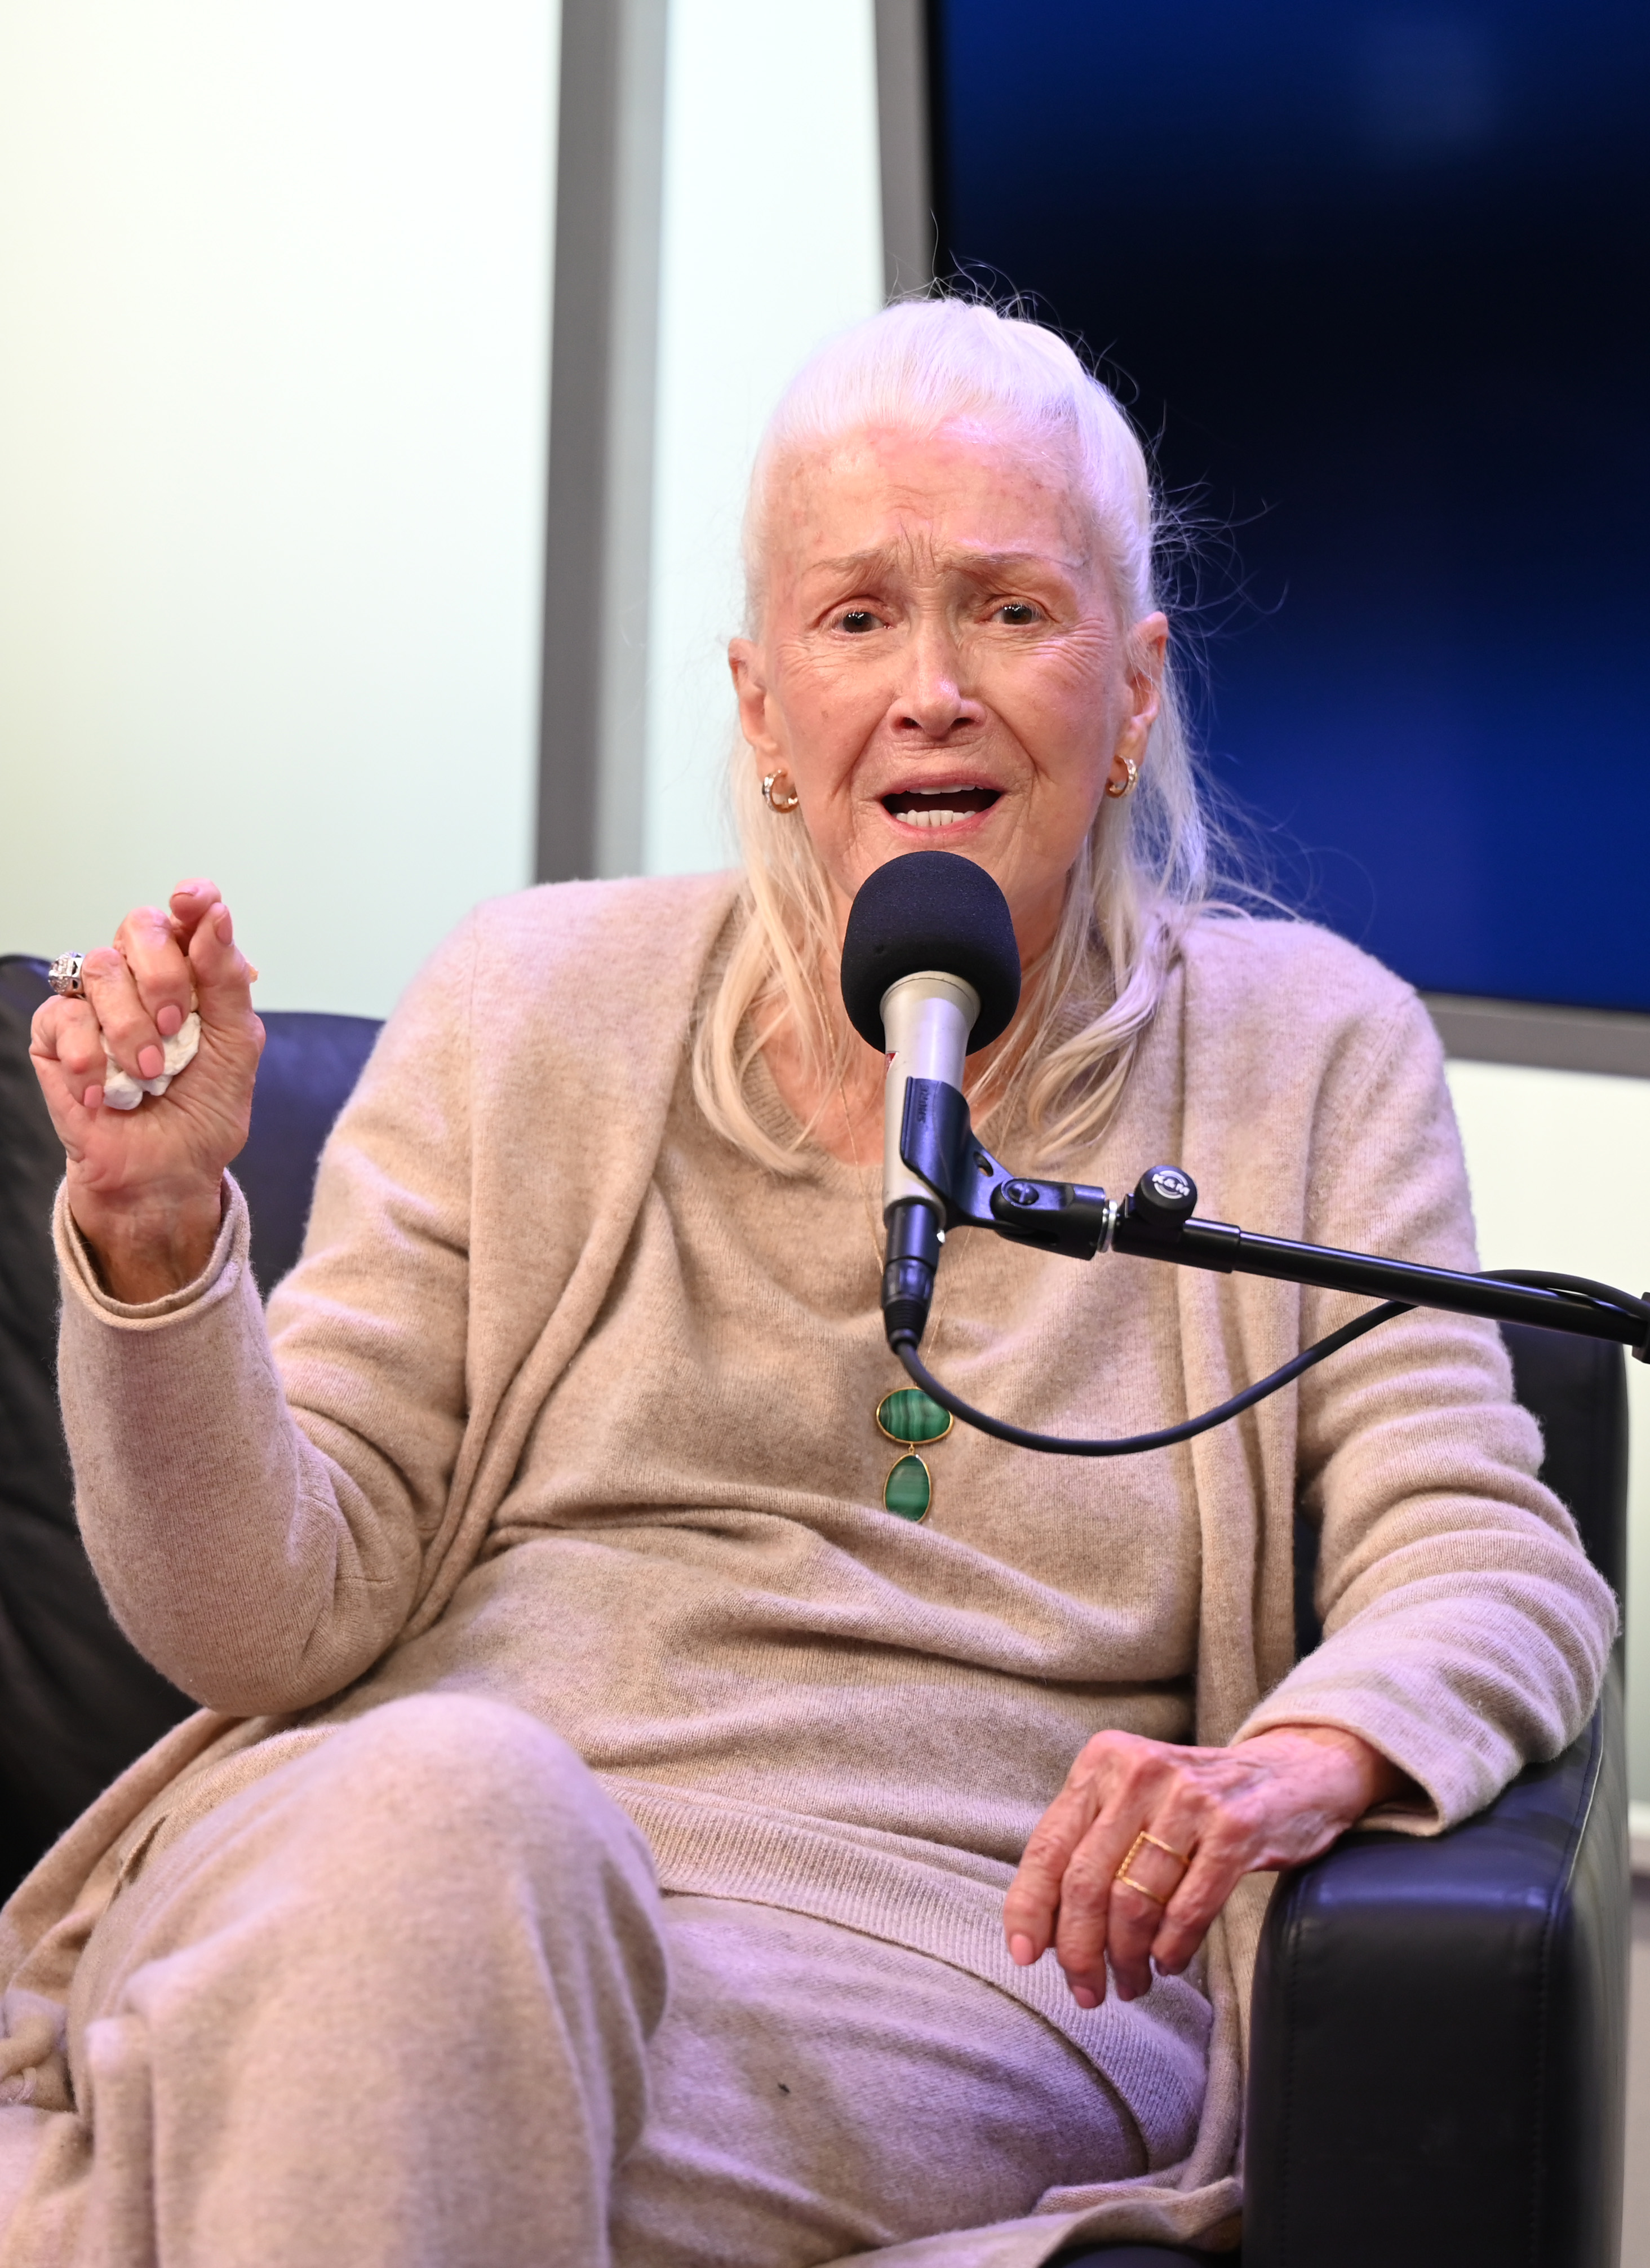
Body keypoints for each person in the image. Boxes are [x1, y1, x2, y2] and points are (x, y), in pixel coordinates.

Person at [1, 300, 1613, 2267]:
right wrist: (161, 1251)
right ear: (764, 711)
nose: (930, 689)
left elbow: (1490, 1555)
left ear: (1132, 692)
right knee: (448, 1817)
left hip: (917, 1981)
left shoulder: (1305, 1054)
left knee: (311, 2102)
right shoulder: (531, 1002)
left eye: (1012, 610)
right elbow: (263, 1622)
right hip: (370, 1861)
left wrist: (1293, 1762)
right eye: (859, 618)